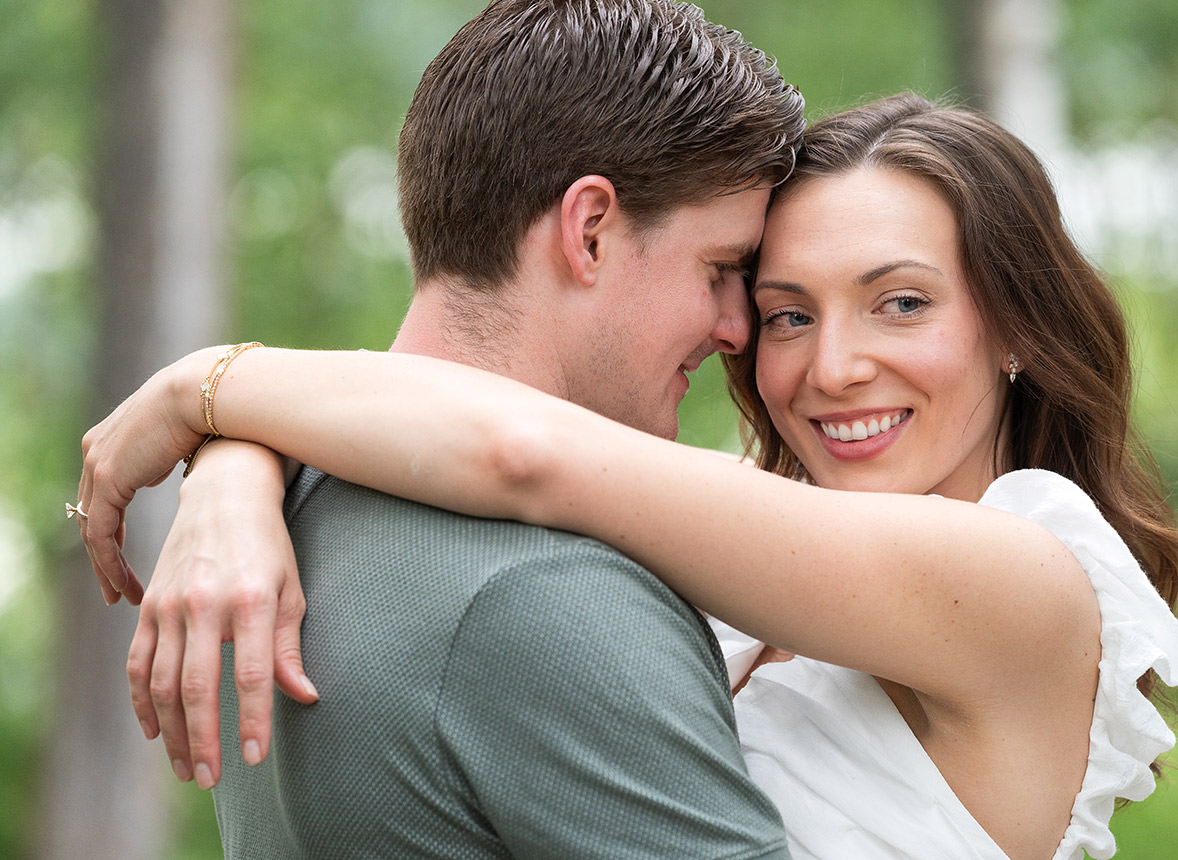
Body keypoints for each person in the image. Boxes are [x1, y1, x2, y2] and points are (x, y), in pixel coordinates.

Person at [78, 93, 1178, 860]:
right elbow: (449, 411)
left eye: (900, 301)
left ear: (1017, 328)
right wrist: (237, 469)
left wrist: (204, 388)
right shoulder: (752, 554)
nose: (832, 365)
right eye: (783, 313)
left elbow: (520, 449)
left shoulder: (1023, 572)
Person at [76, 1, 808, 857]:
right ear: (591, 231)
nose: (736, 327)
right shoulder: (550, 592)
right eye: (720, 269)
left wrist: (224, 428)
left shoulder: (288, 502)